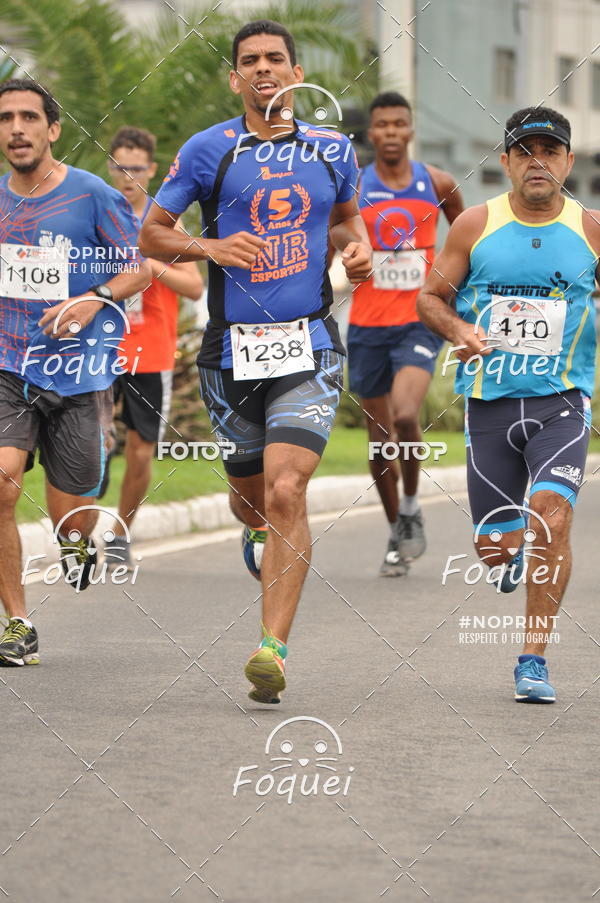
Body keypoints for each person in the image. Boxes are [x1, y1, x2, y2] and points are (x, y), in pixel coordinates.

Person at [139, 19, 371, 704]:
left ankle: (271, 647)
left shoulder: (332, 149)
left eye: (276, 59)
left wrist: (356, 250)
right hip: (229, 351)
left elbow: (347, 221)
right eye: (250, 62)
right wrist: (212, 249)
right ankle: (259, 538)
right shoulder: (210, 149)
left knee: (286, 491)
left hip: (309, 345)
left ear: (296, 73)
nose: (264, 69)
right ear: (234, 78)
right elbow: (153, 231)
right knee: (251, 503)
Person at [417, 106, 599, 703]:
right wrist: (457, 331)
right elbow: (430, 300)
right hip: (490, 404)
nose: (537, 162)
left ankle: (533, 659)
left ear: (569, 162)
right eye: (525, 152)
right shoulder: (474, 224)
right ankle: (505, 556)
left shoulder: (592, 229)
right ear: (506, 162)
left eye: (550, 151)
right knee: (495, 547)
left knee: (554, 515)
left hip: (562, 403)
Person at [0, 79, 151, 666]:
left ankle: (76, 545)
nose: (17, 128)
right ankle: (18, 622)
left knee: (71, 517)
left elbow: (138, 268)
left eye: (28, 118)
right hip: (10, 366)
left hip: (80, 376)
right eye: (6, 118)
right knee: (3, 480)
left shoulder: (90, 195)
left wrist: (94, 297)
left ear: (52, 129)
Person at [347, 91, 463, 577]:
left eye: (399, 124)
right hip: (367, 324)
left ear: (410, 130)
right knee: (379, 439)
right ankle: (398, 530)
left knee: (406, 414)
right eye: (382, 125)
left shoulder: (436, 182)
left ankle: (413, 503)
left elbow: (467, 236)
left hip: (417, 319)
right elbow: (338, 234)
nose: (391, 133)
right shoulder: (353, 187)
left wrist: (455, 296)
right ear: (371, 133)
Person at [102, 126, 203, 568]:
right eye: (120, 167)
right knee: (92, 444)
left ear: (153, 170)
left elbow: (195, 288)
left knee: (142, 448)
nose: (128, 177)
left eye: (136, 168)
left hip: (151, 353)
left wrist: (154, 268)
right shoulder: (100, 214)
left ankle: (121, 533)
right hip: (100, 349)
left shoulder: (167, 224)